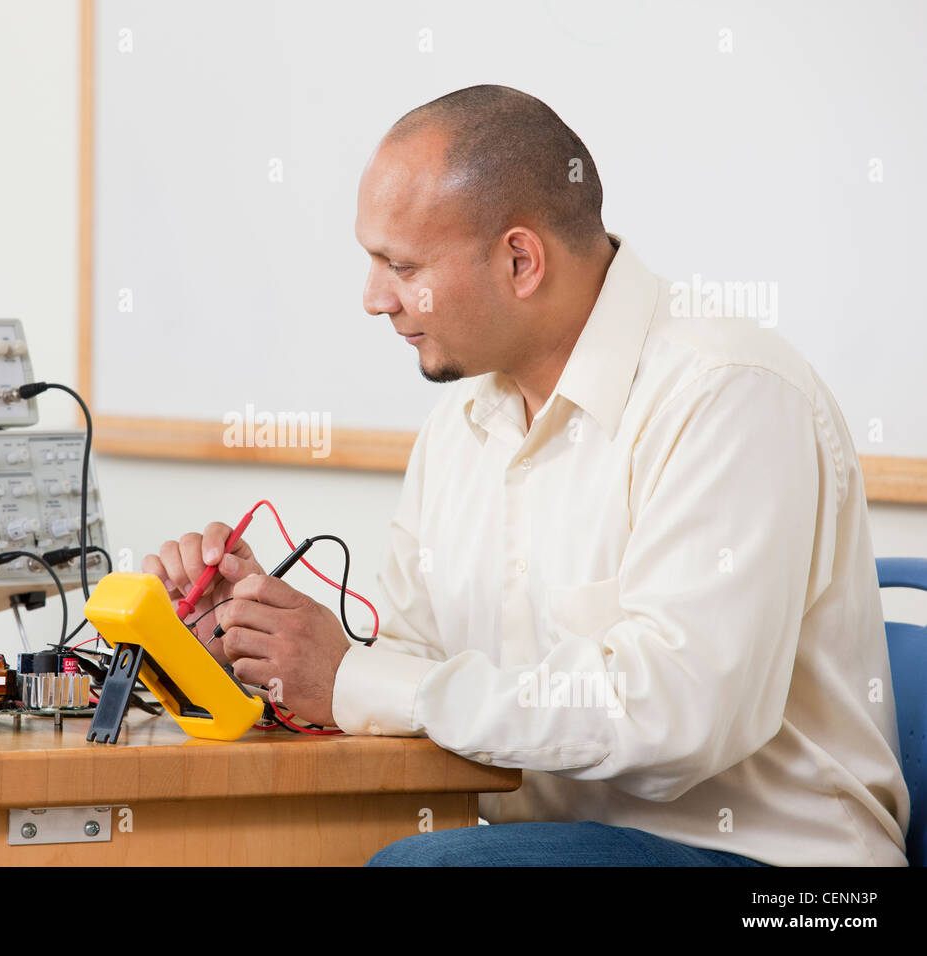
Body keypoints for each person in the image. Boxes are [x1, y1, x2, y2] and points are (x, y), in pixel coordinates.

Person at [143, 85, 909, 866]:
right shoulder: (462, 426)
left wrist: (356, 678)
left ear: (520, 260)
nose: (374, 299)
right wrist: (254, 646)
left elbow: (678, 717)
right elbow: (412, 677)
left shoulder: (730, 394)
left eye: (399, 265)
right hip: (551, 850)